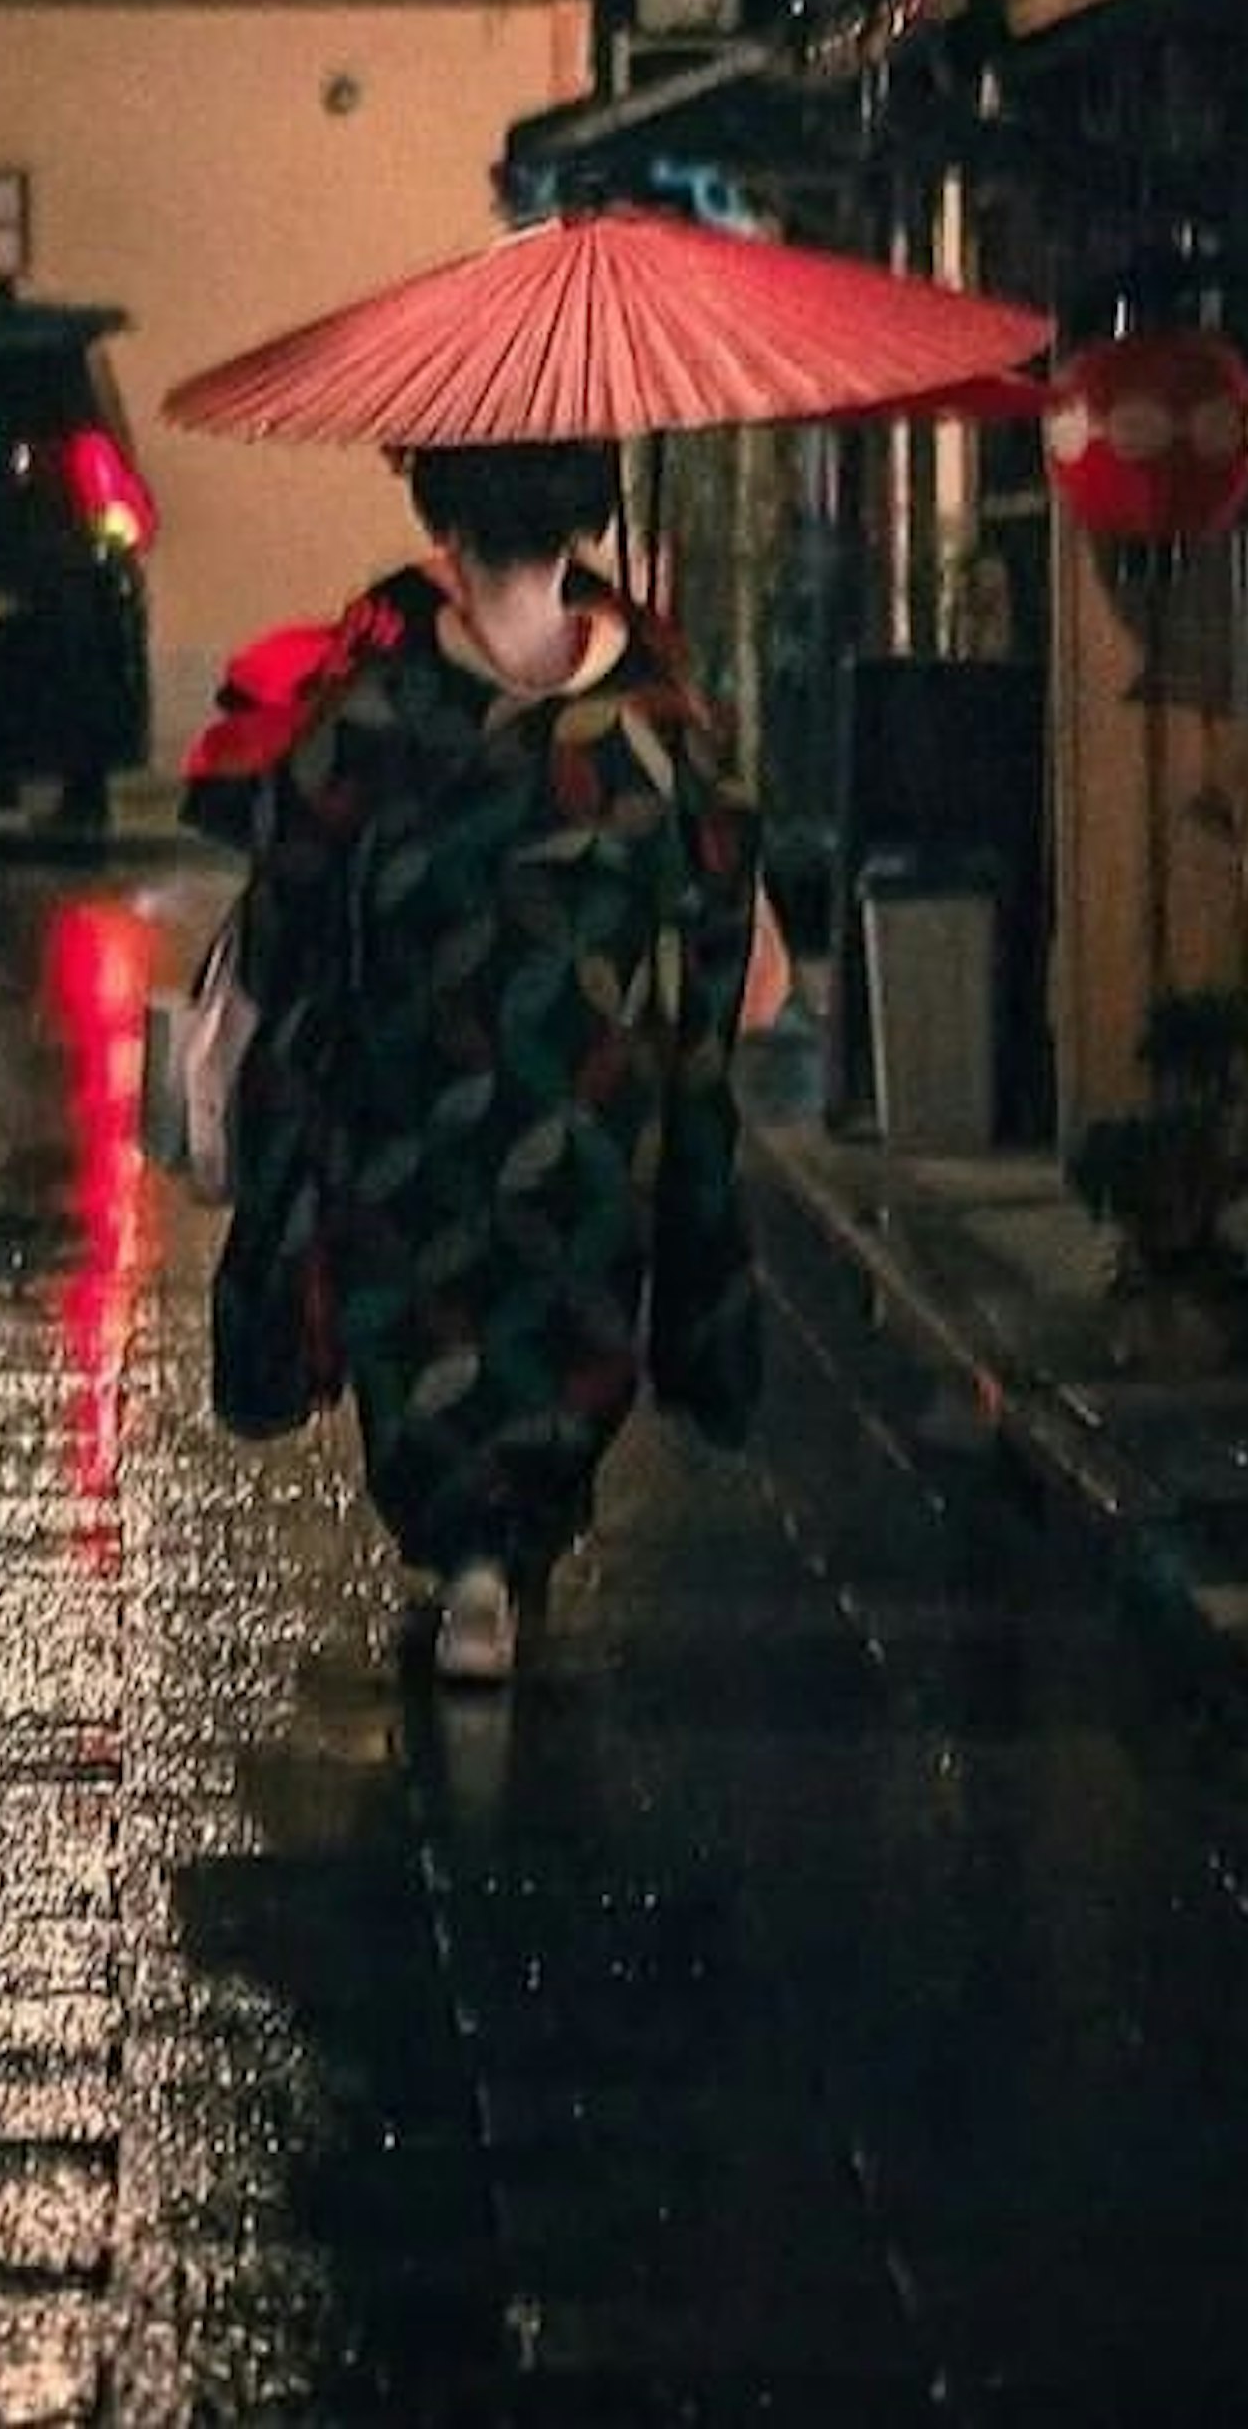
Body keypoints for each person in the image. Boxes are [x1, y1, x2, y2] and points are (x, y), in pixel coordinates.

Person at [208, 435, 766, 1689]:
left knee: (427, 1322)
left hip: (412, 1102)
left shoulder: (379, 711)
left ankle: (469, 1560)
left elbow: (287, 901)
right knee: (569, 1314)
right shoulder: (661, 716)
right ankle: (518, 1543)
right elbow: (722, 898)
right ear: (586, 515)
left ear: (440, 511)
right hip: (596, 1100)